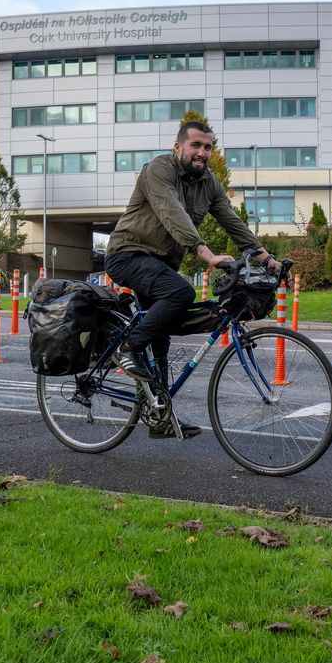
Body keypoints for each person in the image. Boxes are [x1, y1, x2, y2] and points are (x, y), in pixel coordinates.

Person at [104, 120, 277, 437]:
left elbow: (231, 221)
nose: (202, 152)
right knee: (181, 293)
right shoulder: (158, 170)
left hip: (160, 264)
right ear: (178, 147)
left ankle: (159, 416)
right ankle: (128, 348)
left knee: (161, 340)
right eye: (195, 145)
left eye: (207, 147)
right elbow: (172, 212)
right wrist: (206, 254)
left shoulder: (209, 183)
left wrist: (268, 259)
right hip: (127, 254)